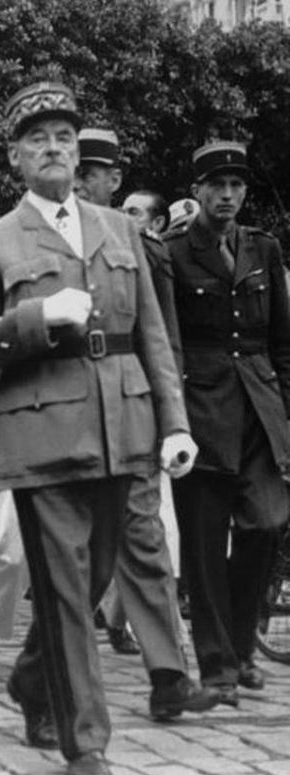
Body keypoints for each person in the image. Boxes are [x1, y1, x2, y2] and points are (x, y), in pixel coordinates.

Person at [0, 82, 195, 775]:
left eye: (64, 136)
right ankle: (86, 742)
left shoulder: (119, 229)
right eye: (38, 139)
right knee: (62, 589)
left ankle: (33, 678)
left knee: (93, 578)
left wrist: (175, 423)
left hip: (124, 426)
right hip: (42, 434)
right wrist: (36, 319)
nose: (54, 148)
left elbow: (152, 334)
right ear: (15, 158)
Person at [73, 128, 219, 719]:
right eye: (76, 171)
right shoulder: (30, 234)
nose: (81, 182)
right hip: (64, 415)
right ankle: (38, 671)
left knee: (145, 543)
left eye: (93, 172)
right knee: (76, 557)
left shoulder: (138, 242)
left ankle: (168, 676)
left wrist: (172, 420)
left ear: (114, 178)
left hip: (129, 411)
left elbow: (161, 340)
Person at [166, 141, 290, 704]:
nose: (227, 195)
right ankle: (218, 665)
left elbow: (282, 342)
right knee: (204, 545)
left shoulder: (264, 248)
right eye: (217, 185)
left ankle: (241, 646)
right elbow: (166, 343)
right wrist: (172, 421)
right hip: (202, 413)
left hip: (260, 412)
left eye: (237, 185)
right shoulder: (173, 253)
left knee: (266, 524)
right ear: (197, 191)